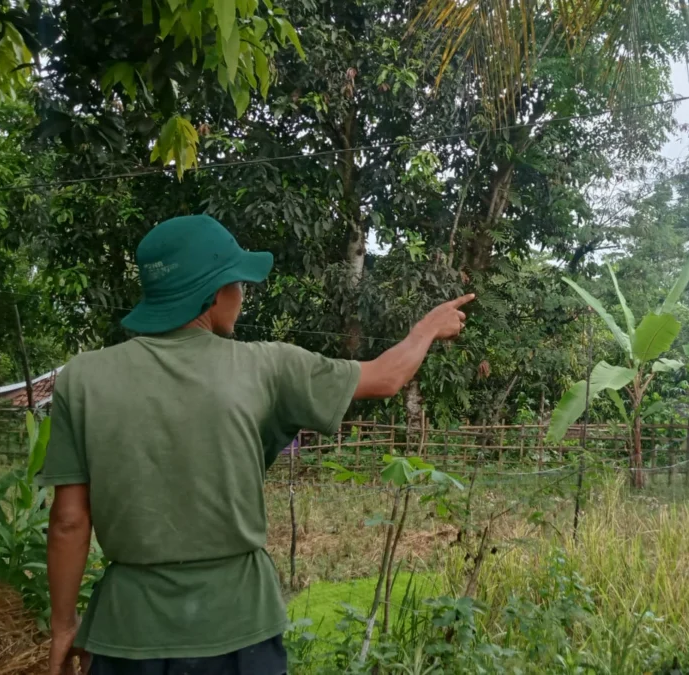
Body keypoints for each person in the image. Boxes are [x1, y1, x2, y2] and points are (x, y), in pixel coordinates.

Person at [39, 214, 472, 675]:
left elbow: (68, 521)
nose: (242, 297)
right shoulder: (266, 367)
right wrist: (425, 329)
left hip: (127, 632)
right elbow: (386, 377)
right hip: (239, 625)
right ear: (213, 292)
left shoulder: (83, 379)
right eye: (238, 283)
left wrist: (64, 626)